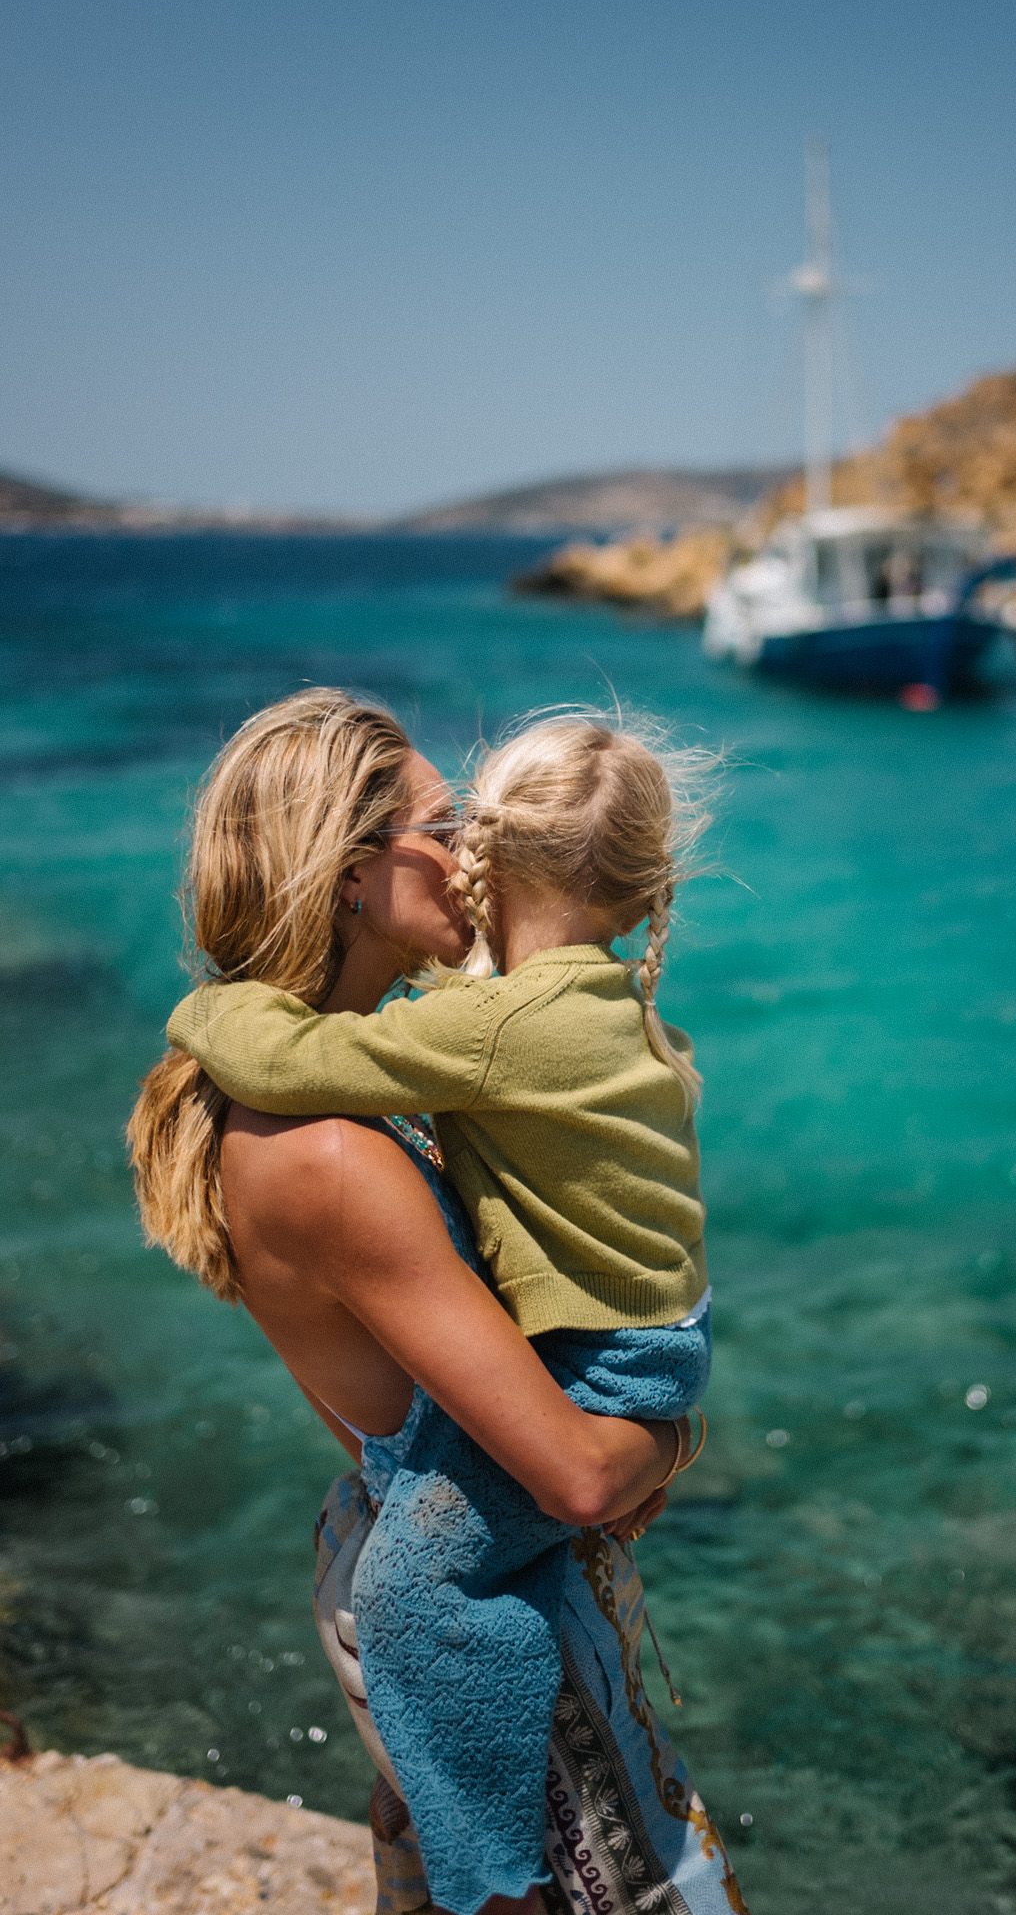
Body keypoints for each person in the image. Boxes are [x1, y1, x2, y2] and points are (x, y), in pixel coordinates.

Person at [128, 690, 745, 1915]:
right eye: (444, 825)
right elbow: (577, 1477)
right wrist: (671, 1438)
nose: (473, 852)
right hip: (474, 1613)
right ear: (353, 874)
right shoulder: (334, 1155)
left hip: (429, 1560)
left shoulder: (371, 1092)